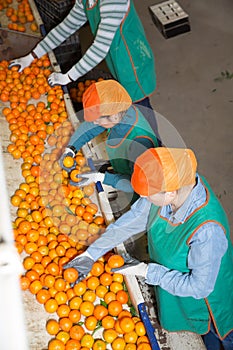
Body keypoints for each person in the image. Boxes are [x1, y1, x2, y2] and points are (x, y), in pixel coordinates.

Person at [64, 147, 233, 350]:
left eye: (149, 196)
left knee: (217, 340)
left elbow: (199, 287)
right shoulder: (172, 186)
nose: (146, 200)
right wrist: (91, 254)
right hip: (177, 292)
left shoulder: (207, 230)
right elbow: (130, 222)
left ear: (170, 193)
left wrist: (146, 271)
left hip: (209, 305)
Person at [8, 0, 159, 133]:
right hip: (116, 58)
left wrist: (68, 77)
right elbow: (66, 28)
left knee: (140, 113)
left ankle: (156, 153)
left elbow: (99, 48)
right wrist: (31, 56)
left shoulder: (113, 1)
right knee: (124, 109)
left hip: (133, 62)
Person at [60, 79, 160, 203]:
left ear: (113, 116)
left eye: (97, 120)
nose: (94, 123)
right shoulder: (120, 111)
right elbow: (89, 128)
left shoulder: (139, 142)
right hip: (125, 170)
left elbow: (136, 185)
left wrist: (102, 177)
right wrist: (70, 149)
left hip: (144, 192)